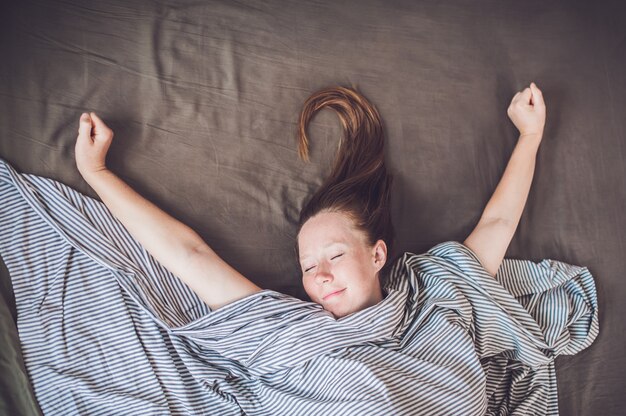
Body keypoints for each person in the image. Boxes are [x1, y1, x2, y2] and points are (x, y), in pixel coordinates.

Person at [74, 82, 546, 319]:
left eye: (335, 255)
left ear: (377, 253)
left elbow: (499, 223)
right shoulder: (287, 330)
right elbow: (189, 255)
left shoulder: (437, 306)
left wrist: (531, 134)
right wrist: (95, 173)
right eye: (306, 267)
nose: (318, 275)